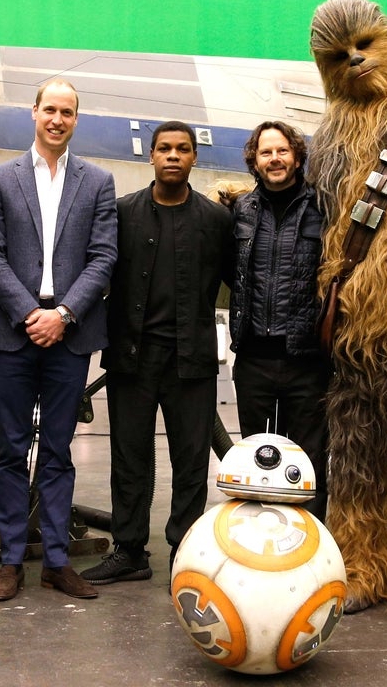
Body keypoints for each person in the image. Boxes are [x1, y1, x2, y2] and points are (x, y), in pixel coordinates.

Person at [0, 79, 117, 601]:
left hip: (71, 336)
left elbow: (103, 257)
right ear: (33, 113)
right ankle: (11, 559)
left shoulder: (98, 182)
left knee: (57, 452)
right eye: (50, 109)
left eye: (68, 112)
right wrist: (30, 313)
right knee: (11, 451)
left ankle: (57, 561)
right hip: (14, 335)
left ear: (76, 119)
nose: (58, 119)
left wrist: (63, 314)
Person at [83, 121, 231, 584]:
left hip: (192, 360)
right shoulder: (122, 212)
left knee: (190, 462)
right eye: (164, 148)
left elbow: (236, 284)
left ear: (193, 158)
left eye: (182, 149)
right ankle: (129, 551)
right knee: (129, 458)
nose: (173, 156)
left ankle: (183, 556)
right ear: (151, 156)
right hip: (132, 358)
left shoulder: (215, 220)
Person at [224, 120, 329, 519]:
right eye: (266, 152)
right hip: (253, 359)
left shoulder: (324, 207)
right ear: (255, 160)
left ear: (298, 156)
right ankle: (257, 539)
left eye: (282, 151)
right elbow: (229, 272)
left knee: (309, 463)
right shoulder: (241, 211)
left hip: (306, 359)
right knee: (256, 458)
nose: (275, 159)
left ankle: (309, 547)